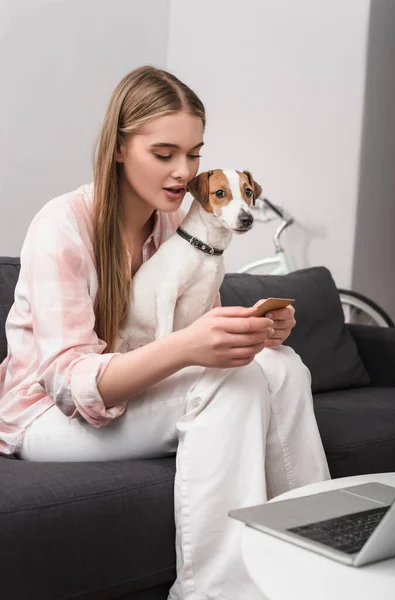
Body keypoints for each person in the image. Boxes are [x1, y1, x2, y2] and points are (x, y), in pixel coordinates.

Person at [0, 65, 330, 600]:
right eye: (164, 154)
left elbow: (204, 330)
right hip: (46, 414)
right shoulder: (62, 226)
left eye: (195, 153)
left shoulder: (181, 222)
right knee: (232, 386)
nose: (184, 171)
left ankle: (318, 557)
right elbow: (67, 382)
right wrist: (191, 347)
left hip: (143, 388)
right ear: (119, 149)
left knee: (283, 367)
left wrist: (255, 332)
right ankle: (216, 591)